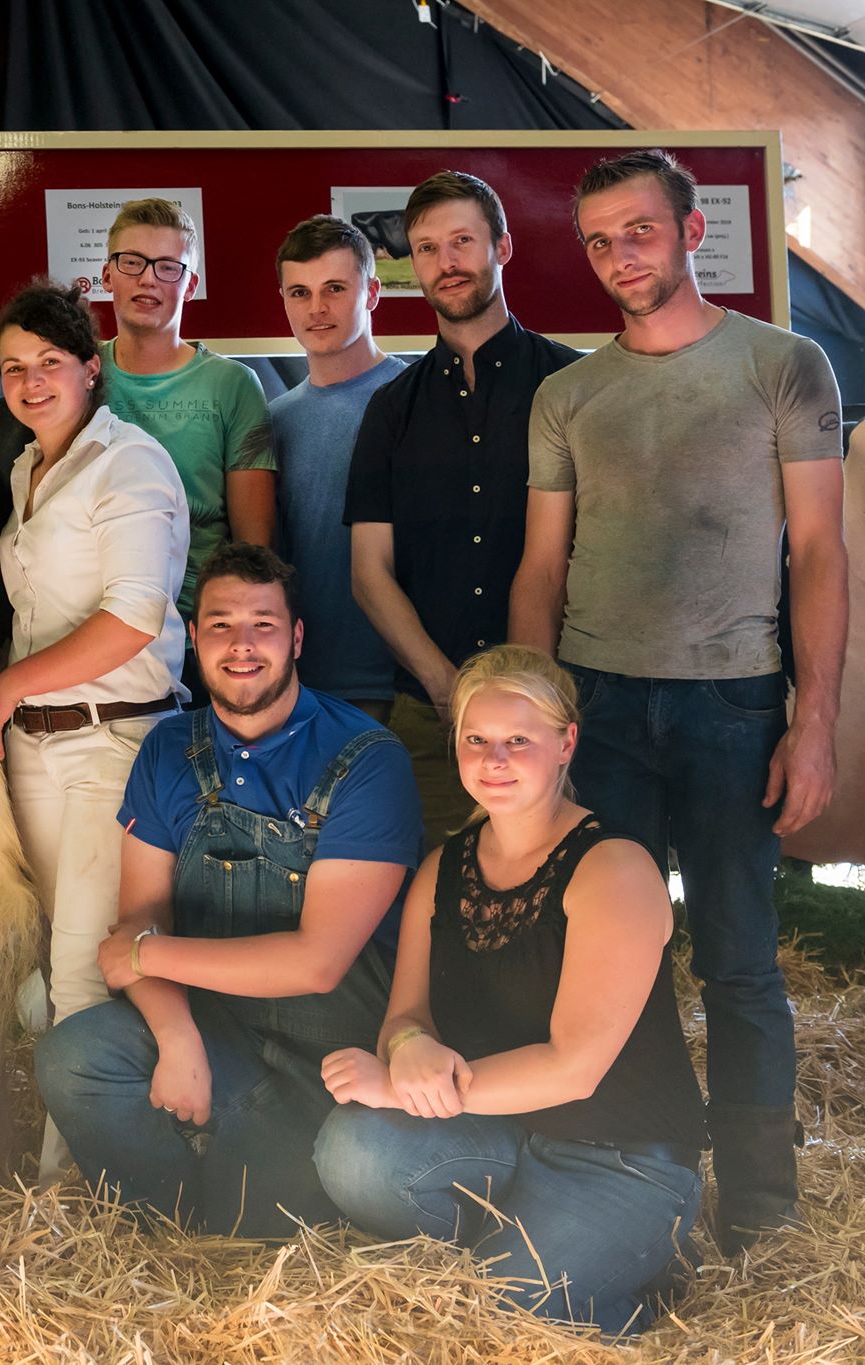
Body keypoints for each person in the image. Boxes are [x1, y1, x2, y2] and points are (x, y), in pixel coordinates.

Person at [510, 149, 848, 1252]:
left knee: (739, 959)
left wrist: (810, 722)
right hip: (597, 707)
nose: (618, 257)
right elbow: (540, 569)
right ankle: (638, 1170)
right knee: (611, 950)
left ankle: (758, 1212)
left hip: (732, 706)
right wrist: (530, 723)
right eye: (599, 240)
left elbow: (818, 556)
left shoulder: (782, 367)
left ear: (692, 232)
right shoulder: (566, 394)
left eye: (637, 232)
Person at [314, 645, 706, 1336]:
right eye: (477, 740)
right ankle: (538, 1259)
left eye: (518, 740)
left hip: (621, 1158)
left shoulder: (614, 866)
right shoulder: (444, 866)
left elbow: (575, 1067)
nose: (494, 759)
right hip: (504, 1135)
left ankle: (630, 1281)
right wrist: (407, 1047)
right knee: (353, 1147)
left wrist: (401, 1087)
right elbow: (407, 1011)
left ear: (566, 743)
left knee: (495, 1317)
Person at [34, 543, 420, 1236]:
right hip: (217, 1040)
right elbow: (138, 920)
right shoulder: (167, 750)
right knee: (75, 1054)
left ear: (297, 637)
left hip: (323, 1075)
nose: (242, 645)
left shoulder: (365, 760)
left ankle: (224, 1198)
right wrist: (177, 1036)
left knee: (252, 1229)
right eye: (220, 624)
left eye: (264, 624)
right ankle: (158, 1238)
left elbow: (316, 961)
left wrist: (150, 957)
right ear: (192, 637)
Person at [0, 280, 189, 1033]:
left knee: (85, 972)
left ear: (91, 367)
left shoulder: (129, 463)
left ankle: (75, 1158)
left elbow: (133, 618)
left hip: (113, 739)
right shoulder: (26, 469)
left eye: (49, 361)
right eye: (13, 367)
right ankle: (85, 1131)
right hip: (37, 742)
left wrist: (2, 689)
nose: (29, 382)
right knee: (60, 957)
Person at [343, 171, 581, 850]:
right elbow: (369, 573)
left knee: (559, 901)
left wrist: (530, 701)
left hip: (563, 710)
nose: (445, 263)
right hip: (433, 713)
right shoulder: (391, 407)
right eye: (426, 249)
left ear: (501, 247)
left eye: (461, 242)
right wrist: (449, 688)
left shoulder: (572, 385)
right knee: (438, 906)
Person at [96, 198, 274, 628]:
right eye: (132, 262)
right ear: (106, 276)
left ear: (190, 285)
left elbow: (254, 550)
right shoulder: (78, 375)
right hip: (94, 622)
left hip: (200, 630)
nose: (148, 279)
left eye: (167, 267)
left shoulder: (233, 385)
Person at [268, 215, 402, 719]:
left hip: (399, 689)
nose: (317, 308)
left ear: (371, 293)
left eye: (335, 288)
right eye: (299, 292)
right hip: (296, 688)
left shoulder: (413, 403)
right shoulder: (274, 421)